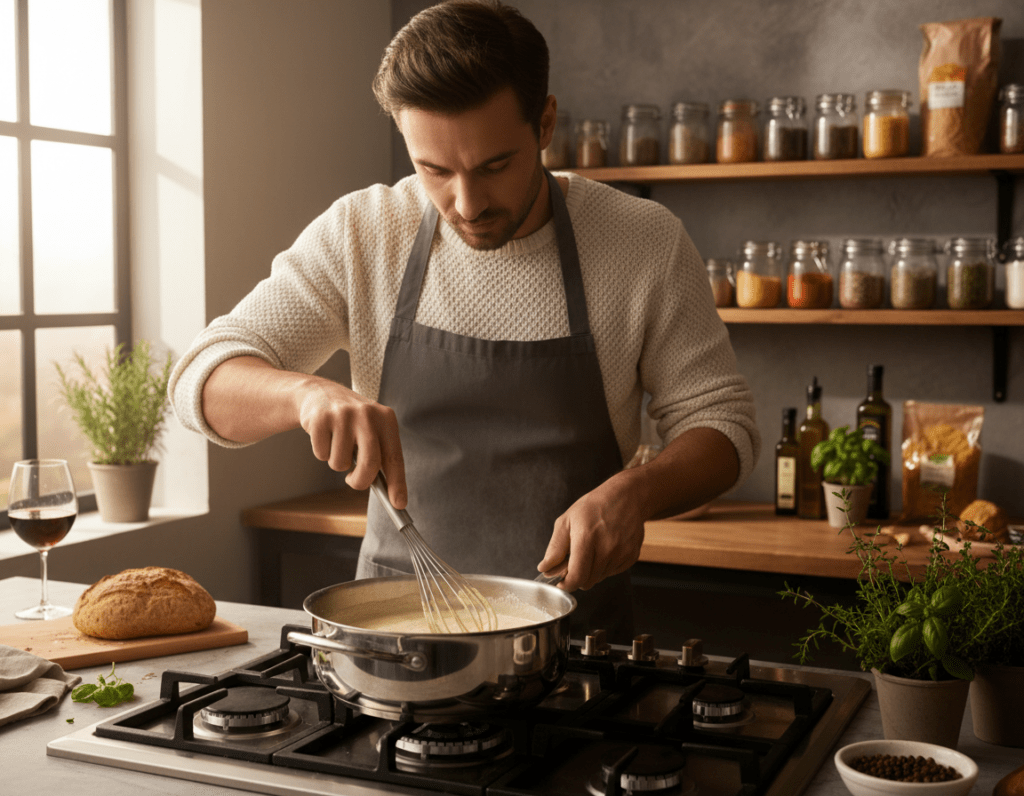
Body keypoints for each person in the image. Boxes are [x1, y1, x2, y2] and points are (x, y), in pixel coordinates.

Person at [168, 0, 759, 642]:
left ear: (545, 124)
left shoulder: (642, 241)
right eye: (434, 170)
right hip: (392, 641)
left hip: (574, 644)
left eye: (494, 166)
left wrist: (637, 492)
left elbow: (722, 425)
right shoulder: (364, 232)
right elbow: (200, 380)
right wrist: (304, 394)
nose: (466, 203)